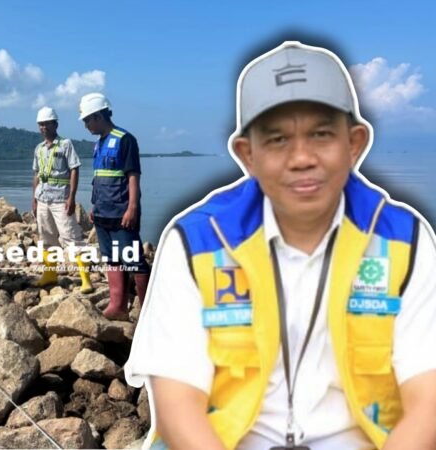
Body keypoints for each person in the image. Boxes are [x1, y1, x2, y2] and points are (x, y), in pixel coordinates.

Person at [125, 41, 436, 450]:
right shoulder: (196, 241)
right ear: (247, 154)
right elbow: (178, 402)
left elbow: (427, 401)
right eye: (277, 140)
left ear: (354, 143)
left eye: (321, 134)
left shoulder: (404, 239)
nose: (302, 157)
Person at [79, 93, 150, 319]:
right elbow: (100, 178)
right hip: (102, 214)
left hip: (122, 214)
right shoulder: (98, 144)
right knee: (112, 259)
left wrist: (132, 208)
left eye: (87, 120)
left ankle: (148, 311)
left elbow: (132, 176)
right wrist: (95, 206)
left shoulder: (124, 139)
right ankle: (118, 306)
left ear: (98, 116)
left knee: (133, 261)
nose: (86, 125)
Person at [31, 106, 94, 294]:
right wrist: (34, 199)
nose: (43, 127)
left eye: (47, 124)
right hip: (42, 199)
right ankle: (50, 274)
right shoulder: (39, 149)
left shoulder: (65, 144)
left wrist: (71, 197)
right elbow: (36, 174)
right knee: (46, 237)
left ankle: (85, 279)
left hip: (60, 198)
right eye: (41, 124)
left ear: (55, 124)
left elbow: (74, 169)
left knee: (71, 237)